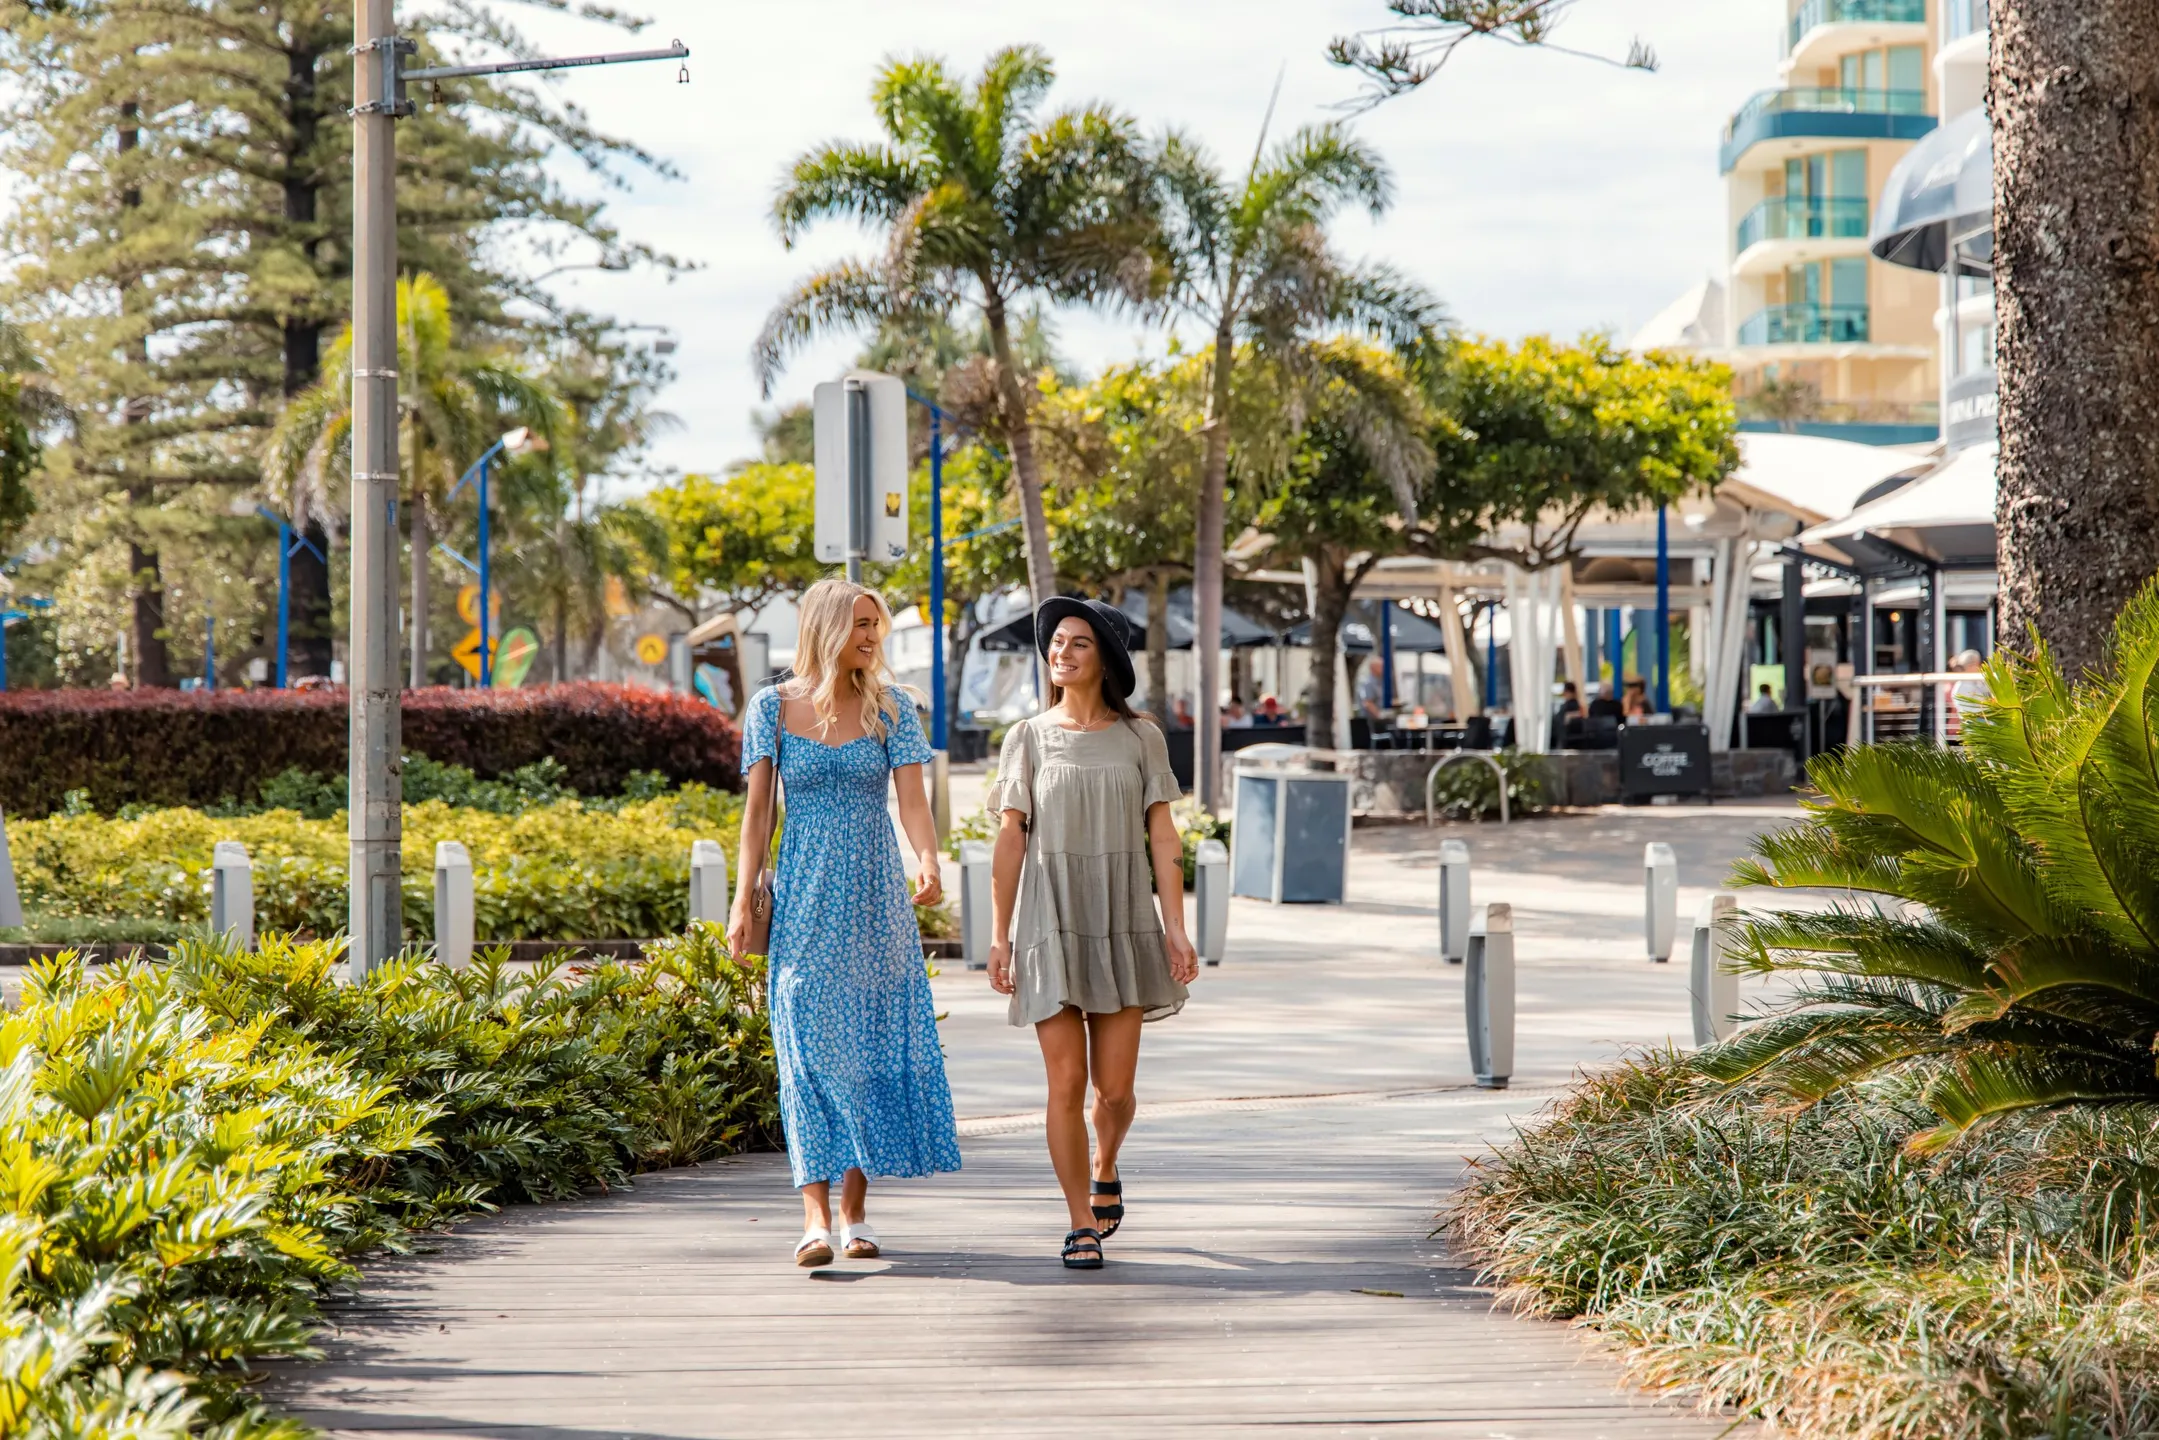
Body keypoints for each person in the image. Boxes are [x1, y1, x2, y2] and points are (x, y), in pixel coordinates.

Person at [728, 578, 960, 1269]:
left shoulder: (893, 708)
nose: (870, 636)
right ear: (826, 626)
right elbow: (757, 819)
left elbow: (914, 802)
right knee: (805, 1051)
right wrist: (743, 900)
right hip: (802, 899)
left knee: (865, 1048)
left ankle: (854, 1214)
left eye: (875, 625)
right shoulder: (770, 708)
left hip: (875, 900)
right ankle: (812, 1217)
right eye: (860, 623)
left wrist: (928, 860)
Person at [987, 597, 1200, 1271]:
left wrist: (1176, 929)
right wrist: (998, 935)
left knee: (1114, 1091)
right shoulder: (1025, 737)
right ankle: (1079, 1221)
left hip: (1120, 918)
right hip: (1049, 920)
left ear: (1103, 657)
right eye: (1055, 642)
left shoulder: (1141, 738)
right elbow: (1009, 839)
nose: (1061, 652)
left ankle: (1107, 1160)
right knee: (1065, 1083)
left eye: (1078, 643)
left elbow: (1161, 834)